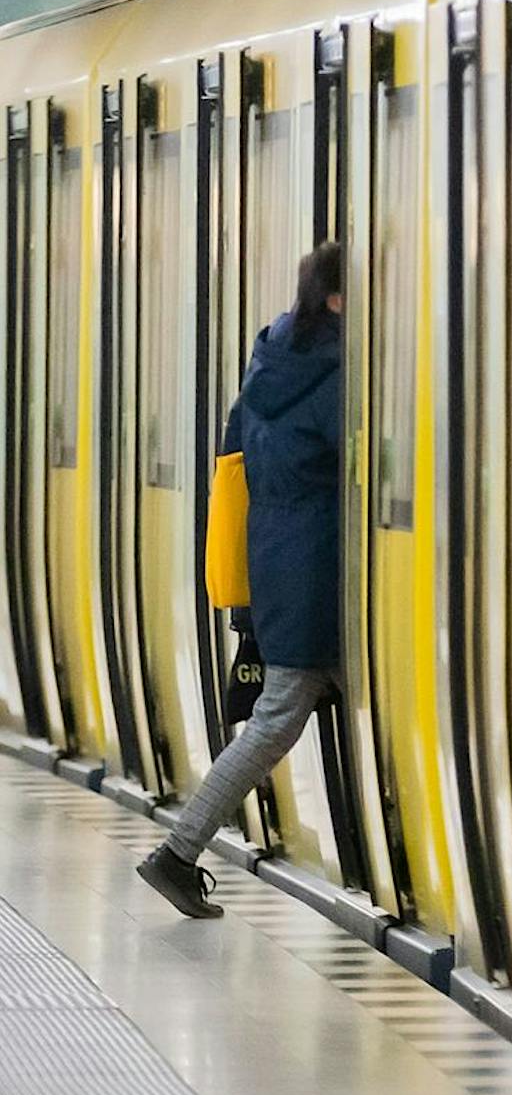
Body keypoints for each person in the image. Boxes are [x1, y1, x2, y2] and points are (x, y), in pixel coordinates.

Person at [137, 241, 345, 919]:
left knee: (274, 719)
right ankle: (177, 853)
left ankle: (179, 853)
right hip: (318, 579)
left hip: (280, 565)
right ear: (339, 300)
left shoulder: (272, 365)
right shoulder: (337, 376)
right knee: (272, 721)